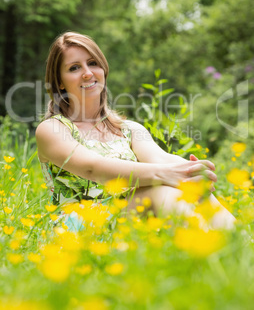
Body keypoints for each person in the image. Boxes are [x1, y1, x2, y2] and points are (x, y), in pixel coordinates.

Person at [36, 31, 235, 229]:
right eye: (74, 68)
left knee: (192, 189)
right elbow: (93, 168)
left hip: (125, 215)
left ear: (103, 69)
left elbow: (160, 158)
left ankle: (243, 245)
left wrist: (192, 172)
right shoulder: (53, 129)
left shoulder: (128, 129)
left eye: (93, 63)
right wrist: (170, 175)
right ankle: (207, 249)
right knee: (161, 191)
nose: (87, 72)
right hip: (78, 226)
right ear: (60, 81)